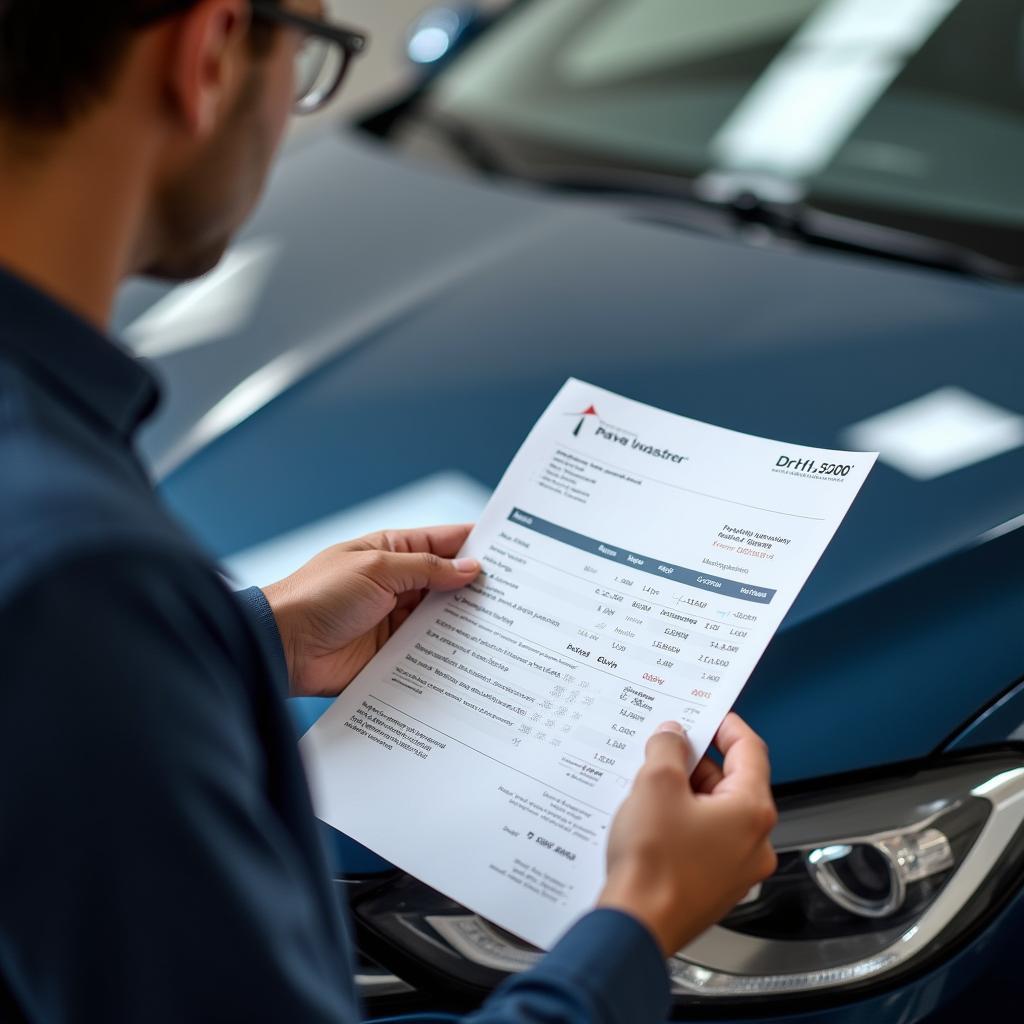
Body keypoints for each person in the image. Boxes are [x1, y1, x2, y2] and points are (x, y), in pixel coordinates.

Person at [0, 2, 778, 1021]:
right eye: (310, 56)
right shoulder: (80, 567)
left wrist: (245, 640)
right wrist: (637, 919)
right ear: (210, 54)